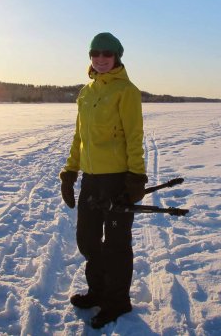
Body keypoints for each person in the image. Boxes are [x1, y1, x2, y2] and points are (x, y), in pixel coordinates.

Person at [59, 32, 148, 329]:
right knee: (87, 240)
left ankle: (117, 300)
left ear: (117, 57)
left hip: (117, 179)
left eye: (106, 54)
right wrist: (70, 172)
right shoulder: (86, 91)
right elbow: (79, 137)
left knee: (116, 244)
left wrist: (135, 177)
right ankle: (97, 291)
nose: (100, 58)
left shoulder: (126, 91)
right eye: (95, 53)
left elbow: (134, 136)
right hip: (91, 179)